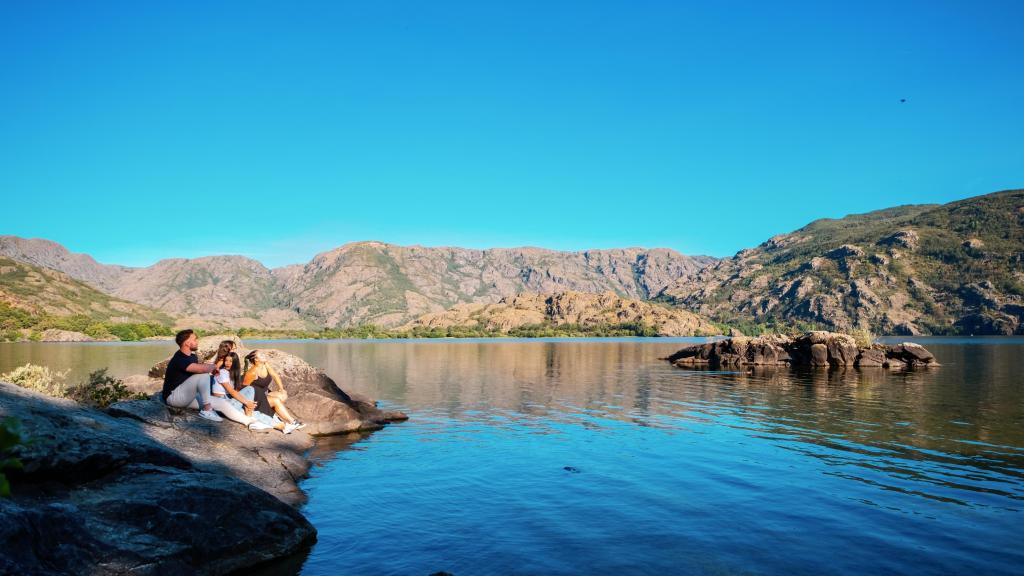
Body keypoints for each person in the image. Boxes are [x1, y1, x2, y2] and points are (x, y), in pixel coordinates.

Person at [211, 352, 296, 434]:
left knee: (253, 410)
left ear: (235, 363)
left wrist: (247, 403)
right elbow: (232, 391)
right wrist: (247, 402)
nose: (228, 363)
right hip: (223, 401)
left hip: (230, 400)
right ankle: (279, 425)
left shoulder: (230, 373)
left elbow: (236, 390)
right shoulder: (222, 373)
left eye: (231, 361)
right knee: (251, 391)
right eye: (226, 361)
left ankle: (281, 426)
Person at [161, 329, 223, 422]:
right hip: (173, 398)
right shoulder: (179, 358)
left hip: (186, 395)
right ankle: (207, 410)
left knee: (222, 403)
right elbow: (201, 370)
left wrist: (210, 367)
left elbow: (197, 372)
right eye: (194, 339)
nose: (197, 342)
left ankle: (246, 421)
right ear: (187, 343)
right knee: (203, 375)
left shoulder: (193, 357)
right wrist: (214, 366)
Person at [242, 350, 305, 430]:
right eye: (261, 355)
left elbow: (275, 375)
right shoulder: (252, 372)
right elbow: (244, 388)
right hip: (256, 399)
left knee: (283, 395)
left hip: (264, 394)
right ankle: (292, 422)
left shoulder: (265, 365)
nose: (264, 355)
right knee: (276, 400)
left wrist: (281, 388)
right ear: (256, 359)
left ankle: (270, 413)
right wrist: (247, 404)